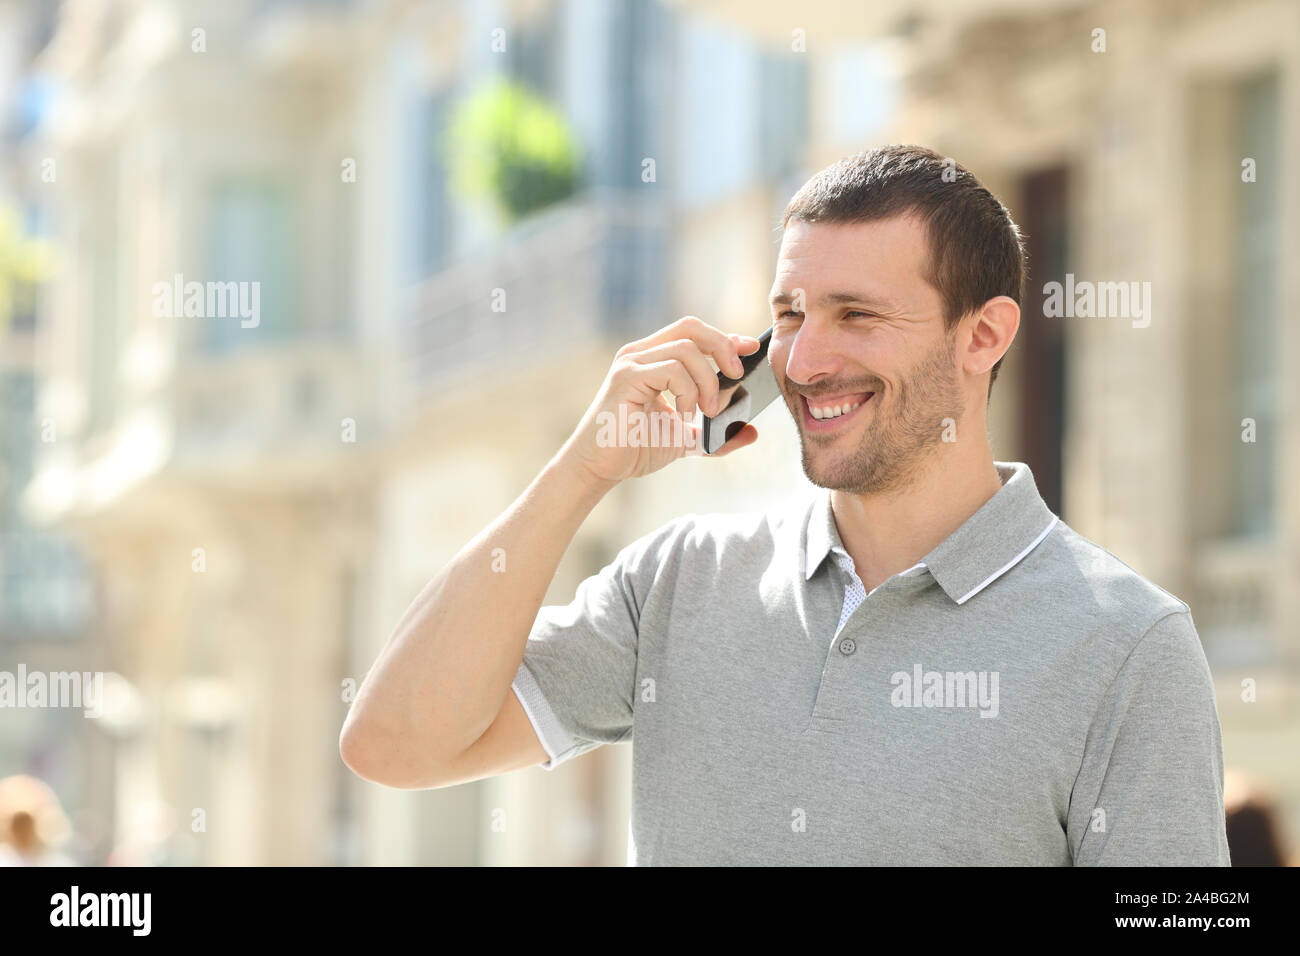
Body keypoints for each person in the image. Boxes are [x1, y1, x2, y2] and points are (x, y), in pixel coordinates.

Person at [341, 144, 1231, 866]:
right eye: (792, 314)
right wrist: (582, 470)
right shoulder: (678, 583)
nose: (805, 363)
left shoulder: (1129, 645)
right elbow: (393, 744)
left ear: (985, 334)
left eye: (857, 315)